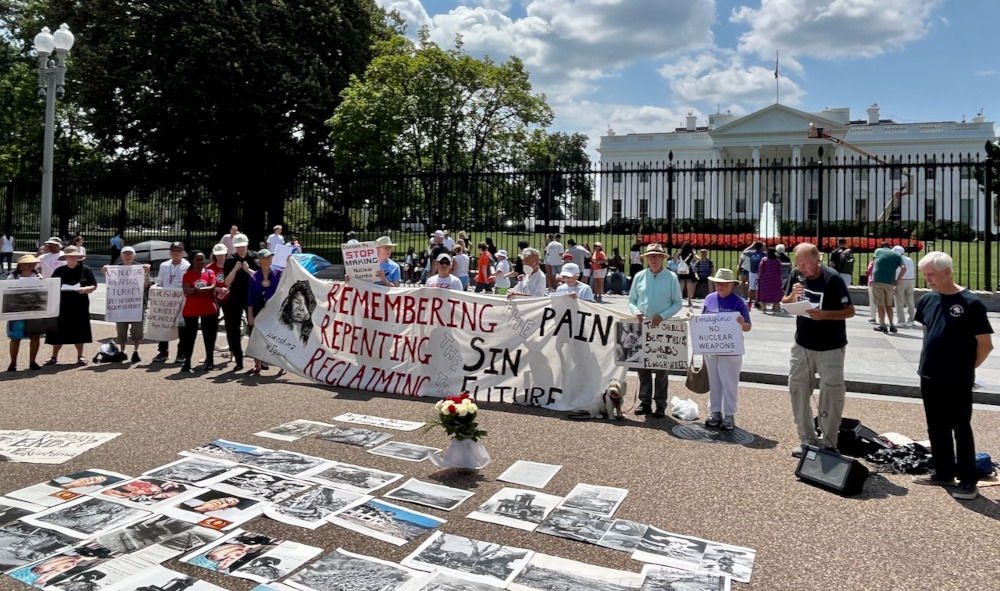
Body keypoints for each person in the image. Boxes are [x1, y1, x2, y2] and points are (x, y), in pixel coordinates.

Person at [910, 251, 994, 500]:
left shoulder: (971, 303)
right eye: (925, 275)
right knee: (936, 425)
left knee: (960, 427)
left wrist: (968, 367)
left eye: (932, 275)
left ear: (948, 272)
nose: (928, 280)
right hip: (929, 373)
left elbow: (985, 344)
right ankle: (944, 471)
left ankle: (968, 479)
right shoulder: (927, 300)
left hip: (957, 377)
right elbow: (928, 332)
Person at [781, 243, 855, 457]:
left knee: (831, 393)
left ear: (817, 261)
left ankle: (829, 441)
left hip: (830, 346)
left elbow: (849, 311)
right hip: (802, 344)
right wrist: (792, 297)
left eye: (805, 264)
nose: (801, 268)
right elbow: (784, 302)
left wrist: (824, 314)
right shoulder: (796, 275)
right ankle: (806, 439)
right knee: (798, 390)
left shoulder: (833, 279)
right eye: (798, 263)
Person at [628, 243, 684, 418]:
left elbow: (677, 303)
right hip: (643, 326)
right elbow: (631, 300)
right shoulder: (639, 276)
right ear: (646, 259)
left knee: (661, 368)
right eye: (650, 256)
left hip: (663, 328)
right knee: (642, 367)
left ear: (662, 259)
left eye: (656, 256)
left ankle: (660, 404)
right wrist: (635, 311)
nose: (653, 259)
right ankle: (645, 402)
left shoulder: (671, 278)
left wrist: (663, 315)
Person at [701, 269, 751, 430]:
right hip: (712, 347)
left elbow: (748, 327)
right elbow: (702, 320)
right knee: (714, 381)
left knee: (729, 382)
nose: (720, 286)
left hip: (731, 348)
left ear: (731, 285)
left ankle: (729, 414)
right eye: (718, 283)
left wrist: (742, 323)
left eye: (724, 284)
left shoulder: (739, 302)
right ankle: (715, 411)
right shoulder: (709, 299)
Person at [44, 246, 97, 366]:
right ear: (66, 258)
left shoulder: (86, 270)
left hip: (80, 303)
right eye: (70, 256)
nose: (73, 258)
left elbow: (93, 285)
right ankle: (54, 356)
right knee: (59, 330)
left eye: (75, 256)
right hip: (62, 303)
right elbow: (52, 285)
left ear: (79, 257)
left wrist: (85, 289)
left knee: (79, 329)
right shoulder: (59, 270)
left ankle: (80, 356)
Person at [103, 246, 150, 362]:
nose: (127, 255)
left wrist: (147, 272)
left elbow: (144, 285)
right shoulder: (116, 268)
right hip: (121, 305)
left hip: (136, 304)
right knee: (121, 329)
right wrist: (105, 271)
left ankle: (136, 351)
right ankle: (123, 351)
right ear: (121, 255)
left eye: (130, 253)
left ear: (134, 255)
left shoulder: (140, 268)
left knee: (137, 330)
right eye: (125, 253)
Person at [178, 251, 219, 373]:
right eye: (198, 260)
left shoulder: (210, 272)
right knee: (189, 337)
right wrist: (199, 290)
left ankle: (210, 360)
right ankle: (187, 361)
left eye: (203, 259)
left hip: (208, 308)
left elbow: (212, 287)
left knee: (209, 337)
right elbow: (186, 291)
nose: (201, 262)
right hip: (191, 309)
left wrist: (194, 290)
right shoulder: (187, 274)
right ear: (192, 261)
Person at [223, 233, 258, 371]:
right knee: (233, 329)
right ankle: (238, 360)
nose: (241, 249)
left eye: (243, 247)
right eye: (238, 247)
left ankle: (258, 360)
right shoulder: (230, 259)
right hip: (235, 297)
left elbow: (260, 278)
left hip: (252, 296)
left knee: (254, 328)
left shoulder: (254, 257)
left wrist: (248, 270)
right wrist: (235, 269)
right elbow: (227, 282)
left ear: (247, 245)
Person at [152, 242, 191, 364]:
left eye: (179, 251)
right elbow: (160, 281)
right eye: (174, 250)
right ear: (170, 252)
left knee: (182, 328)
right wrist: (155, 287)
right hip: (166, 302)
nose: (176, 253)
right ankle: (163, 351)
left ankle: (181, 353)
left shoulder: (187, 266)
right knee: (164, 326)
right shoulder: (164, 265)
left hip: (182, 301)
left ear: (183, 252)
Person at [5, 255, 45, 371]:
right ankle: (13, 363)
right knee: (16, 337)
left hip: (34, 310)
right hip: (17, 311)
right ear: (20, 266)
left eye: (33, 263)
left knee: (35, 336)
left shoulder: (37, 276)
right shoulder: (13, 276)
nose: (31, 266)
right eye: (28, 263)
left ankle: (33, 362)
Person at [246, 249, 283, 376]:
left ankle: (281, 365)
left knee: (277, 338)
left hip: (274, 309)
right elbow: (250, 297)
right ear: (260, 260)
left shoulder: (279, 274)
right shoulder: (254, 276)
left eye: (270, 257)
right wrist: (250, 314)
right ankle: (258, 365)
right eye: (266, 258)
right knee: (256, 337)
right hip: (259, 309)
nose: (269, 260)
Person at [872, 241, 905, 333]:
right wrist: (898, 279)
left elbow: (875, 262)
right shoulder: (897, 255)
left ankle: (882, 324)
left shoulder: (878, 251)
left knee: (880, 304)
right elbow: (903, 267)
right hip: (890, 282)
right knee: (889, 304)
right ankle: (892, 324)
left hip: (878, 280)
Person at [279, 280, 317, 346]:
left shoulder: (314, 337)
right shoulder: (279, 326)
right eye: (297, 302)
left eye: (306, 304)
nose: (300, 308)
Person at [893, 245, 917, 328]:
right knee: (910, 299)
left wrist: (895, 281)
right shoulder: (910, 259)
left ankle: (901, 320)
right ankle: (911, 319)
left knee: (899, 299)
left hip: (901, 280)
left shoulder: (897, 259)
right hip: (911, 279)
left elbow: (898, 271)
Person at [756, 247, 784, 313]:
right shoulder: (777, 260)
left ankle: (764, 309)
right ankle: (774, 308)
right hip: (775, 279)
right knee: (776, 294)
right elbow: (780, 270)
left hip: (765, 279)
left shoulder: (764, 260)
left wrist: (758, 278)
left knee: (764, 293)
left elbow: (760, 269)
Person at [742, 241, 765, 308]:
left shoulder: (751, 253)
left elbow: (744, 252)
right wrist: (764, 247)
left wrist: (751, 246)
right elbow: (769, 253)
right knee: (758, 288)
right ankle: (756, 301)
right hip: (760, 272)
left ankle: (750, 300)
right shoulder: (763, 254)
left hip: (752, 272)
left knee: (751, 287)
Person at [677, 241, 698, 307]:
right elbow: (698, 258)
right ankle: (689, 300)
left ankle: (679, 300)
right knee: (689, 286)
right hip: (688, 271)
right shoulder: (691, 254)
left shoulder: (680, 255)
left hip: (681, 271)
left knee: (681, 287)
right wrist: (694, 253)